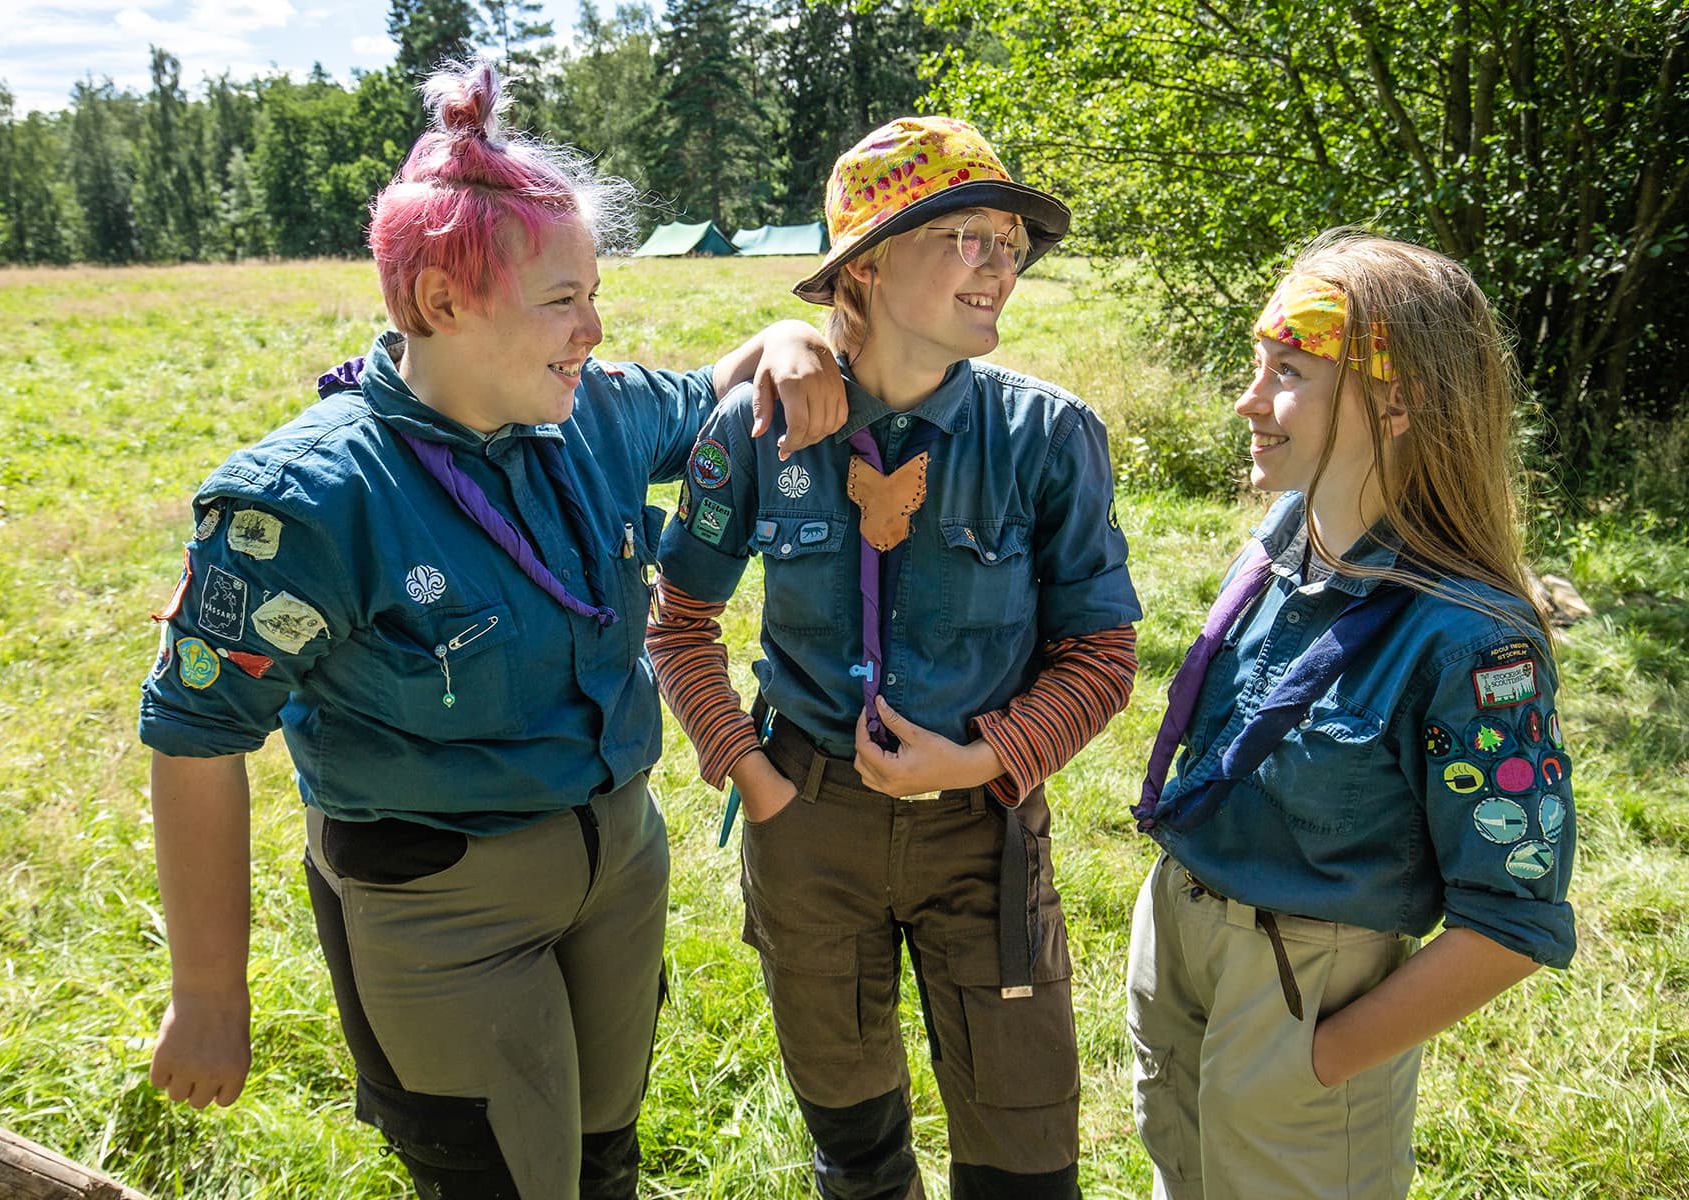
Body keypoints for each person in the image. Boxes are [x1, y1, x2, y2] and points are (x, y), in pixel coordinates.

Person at [136, 58, 846, 1200]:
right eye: (562, 300)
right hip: (441, 905)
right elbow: (194, 735)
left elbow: (723, 384)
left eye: (594, 293)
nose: (593, 328)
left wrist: (789, 335)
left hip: (616, 867)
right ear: (439, 303)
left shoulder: (593, 412)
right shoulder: (307, 503)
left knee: (604, 1163)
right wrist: (210, 993)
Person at [645, 117, 1143, 1200]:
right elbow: (678, 624)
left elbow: (1103, 651)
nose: (1001, 266)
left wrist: (987, 759)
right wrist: (756, 779)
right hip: (808, 826)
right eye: (968, 237)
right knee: (857, 1154)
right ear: (865, 266)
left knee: (1026, 1163)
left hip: (984, 828)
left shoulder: (1047, 438)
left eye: (1012, 243)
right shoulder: (756, 429)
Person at [1126, 230, 1578, 1199]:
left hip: (1305, 989)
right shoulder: (1283, 542)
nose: (1248, 401)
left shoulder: (1472, 642)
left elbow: (1513, 921)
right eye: (1258, 365)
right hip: (1181, 937)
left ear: (1398, 402)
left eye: (1287, 373)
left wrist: (1318, 1058)